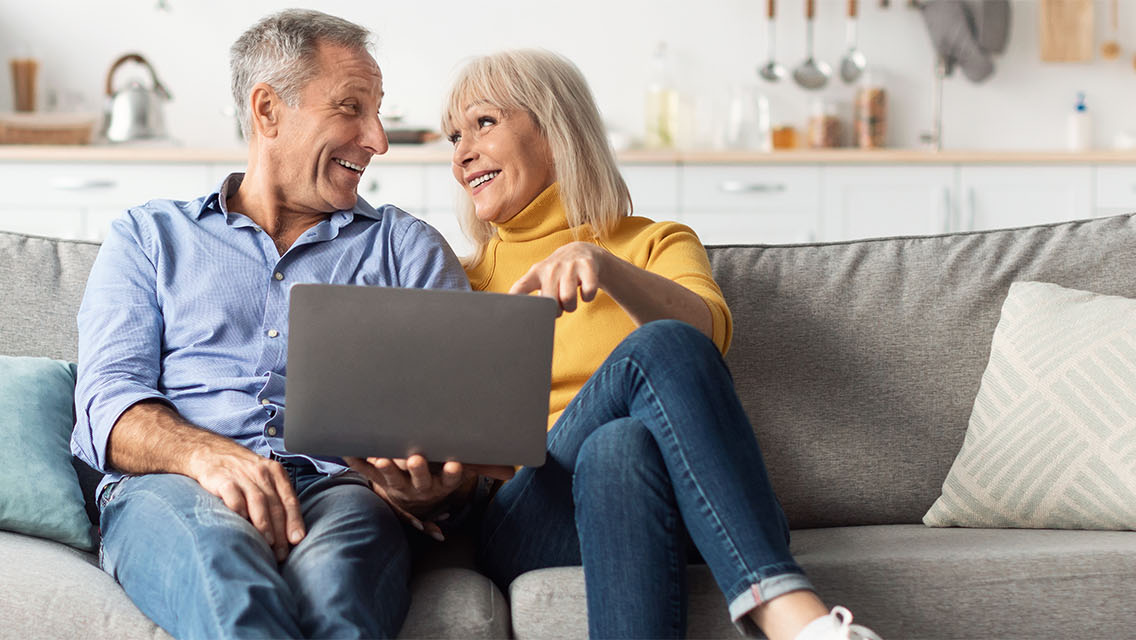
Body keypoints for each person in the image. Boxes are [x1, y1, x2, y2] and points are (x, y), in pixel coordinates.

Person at [349, 50, 882, 640]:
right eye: (454, 136)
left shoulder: (657, 244)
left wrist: (606, 266)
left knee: (622, 438)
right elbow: (461, 456)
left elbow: (706, 341)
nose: (462, 154)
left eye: (483, 123)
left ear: (554, 131)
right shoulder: (462, 279)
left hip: (667, 500)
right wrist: (425, 488)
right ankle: (795, 617)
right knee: (642, 375)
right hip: (531, 519)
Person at [70, 10, 470, 638]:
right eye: (350, 108)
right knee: (226, 575)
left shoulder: (406, 250)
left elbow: (465, 436)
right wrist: (206, 455)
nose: (378, 139)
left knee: (338, 588)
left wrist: (433, 489)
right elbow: (105, 402)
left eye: (378, 111)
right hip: (178, 486)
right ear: (267, 111)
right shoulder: (149, 237)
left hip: (342, 491)